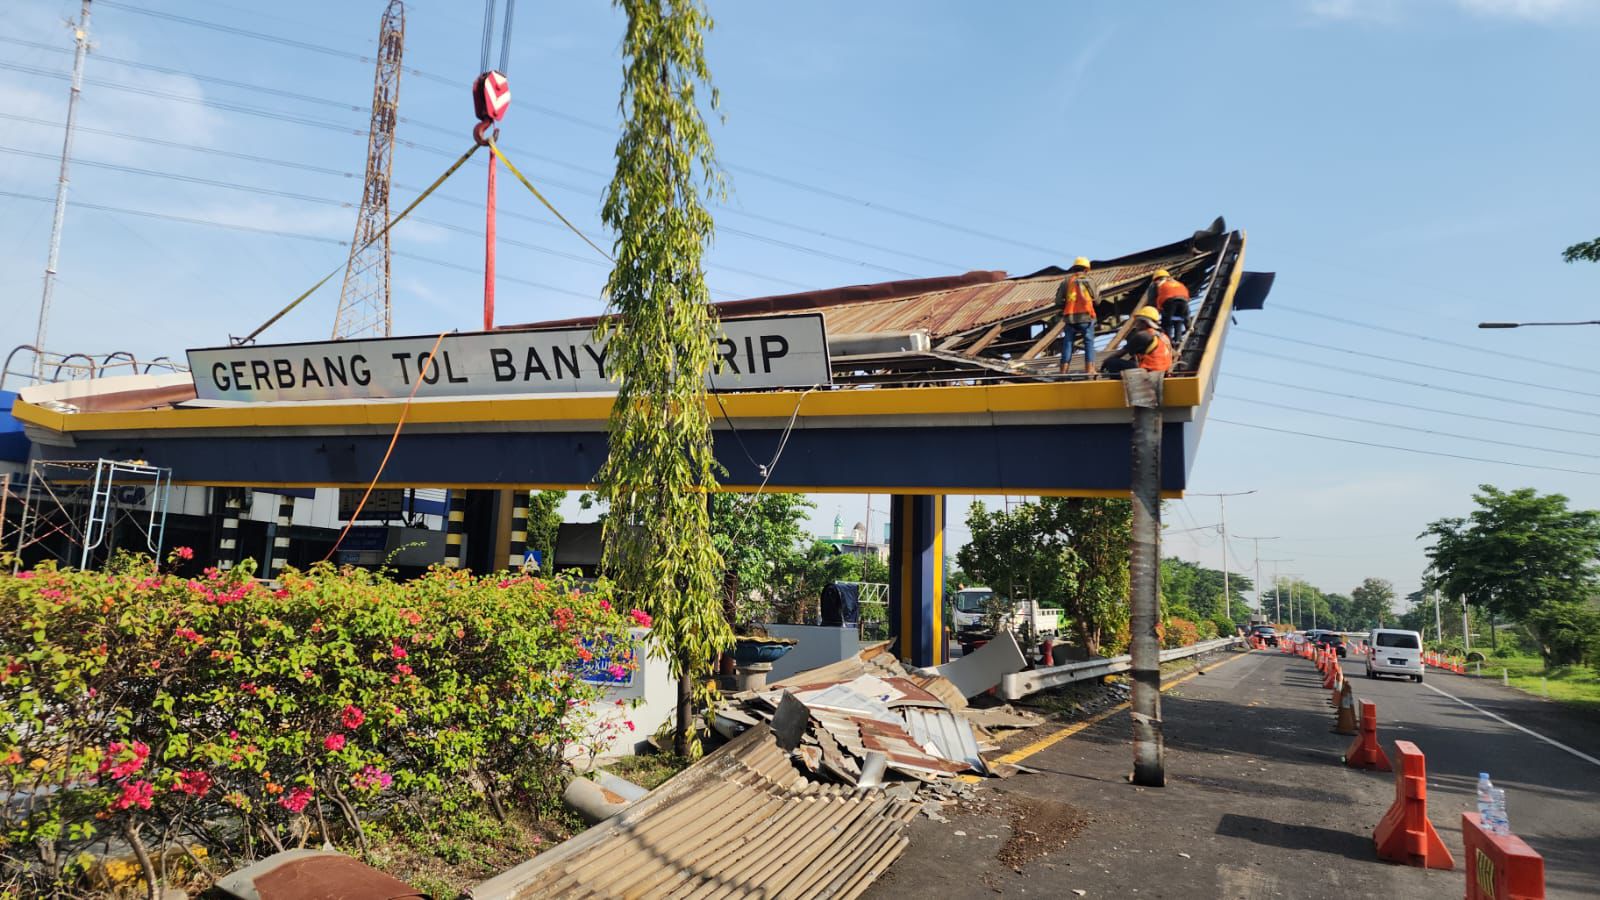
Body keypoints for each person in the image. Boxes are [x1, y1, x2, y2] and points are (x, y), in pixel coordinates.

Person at [1055, 256, 1101, 374]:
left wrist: (1067, 306)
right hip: (1086, 316)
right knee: (1088, 342)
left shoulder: (1066, 282)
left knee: (1068, 343)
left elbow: (1058, 302)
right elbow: (1097, 301)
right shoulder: (1090, 281)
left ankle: (1063, 371)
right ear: (1086, 269)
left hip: (1070, 318)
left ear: (1074, 268)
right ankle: (1090, 369)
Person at [1100, 307, 1173, 376]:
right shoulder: (1163, 336)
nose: (1136, 324)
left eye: (1138, 321)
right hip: (1164, 371)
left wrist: (1104, 362)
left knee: (1112, 362)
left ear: (1144, 322)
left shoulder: (1143, 335)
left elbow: (1120, 353)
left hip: (1150, 371)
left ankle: (1121, 387)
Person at [1149, 268, 1191, 344]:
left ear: (1156, 278)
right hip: (1184, 301)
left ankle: (1168, 342)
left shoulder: (1157, 284)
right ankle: (1177, 340)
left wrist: (1157, 311)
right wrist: (1188, 326)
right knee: (1178, 319)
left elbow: (1154, 299)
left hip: (1170, 302)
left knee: (1167, 322)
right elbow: (1186, 309)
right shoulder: (1178, 283)